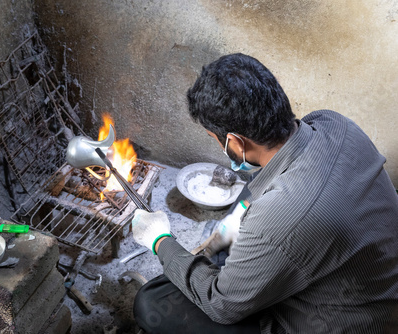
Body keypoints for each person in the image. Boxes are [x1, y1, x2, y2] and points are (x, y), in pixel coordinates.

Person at [131, 53, 398, 333]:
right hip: (374, 277)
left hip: (342, 321)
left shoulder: (281, 215)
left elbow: (221, 306)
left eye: (215, 139)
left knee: (152, 303)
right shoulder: (334, 124)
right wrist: (238, 223)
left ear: (234, 141)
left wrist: (160, 240)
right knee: (247, 197)